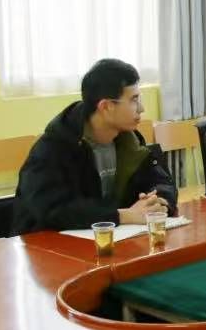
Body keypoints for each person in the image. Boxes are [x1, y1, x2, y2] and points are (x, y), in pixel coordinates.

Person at [11, 58, 177, 234]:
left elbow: (162, 182)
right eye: (134, 100)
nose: (141, 108)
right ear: (106, 107)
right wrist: (123, 216)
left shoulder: (130, 141)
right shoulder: (54, 148)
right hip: (49, 245)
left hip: (112, 240)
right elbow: (54, 210)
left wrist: (157, 203)